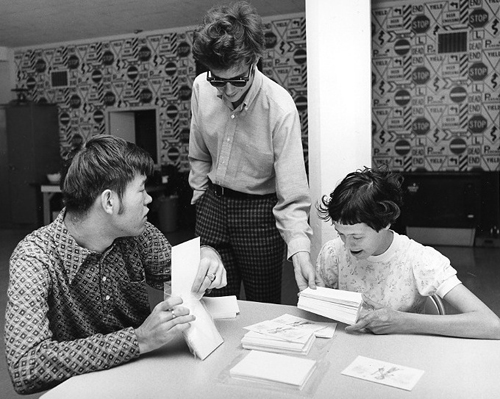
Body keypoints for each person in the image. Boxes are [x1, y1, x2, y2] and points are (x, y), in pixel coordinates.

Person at [4, 135, 227, 394]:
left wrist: (207, 255)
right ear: (109, 201)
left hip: (140, 383)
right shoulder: (35, 256)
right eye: (142, 190)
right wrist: (138, 340)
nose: (149, 200)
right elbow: (26, 366)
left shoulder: (138, 234)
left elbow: (183, 275)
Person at [188, 1, 315, 304]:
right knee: (211, 304)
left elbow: (293, 193)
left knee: (262, 305)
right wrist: (200, 196)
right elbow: (199, 155)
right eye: (217, 79)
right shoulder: (200, 89)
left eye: (237, 80)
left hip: (260, 212)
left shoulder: (280, 108)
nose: (227, 91)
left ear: (254, 60)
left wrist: (299, 250)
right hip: (212, 206)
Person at [315, 167, 500, 339]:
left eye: (356, 236)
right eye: (341, 235)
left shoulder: (419, 259)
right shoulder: (332, 252)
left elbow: (491, 324)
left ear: (385, 222)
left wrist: (402, 321)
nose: (347, 245)